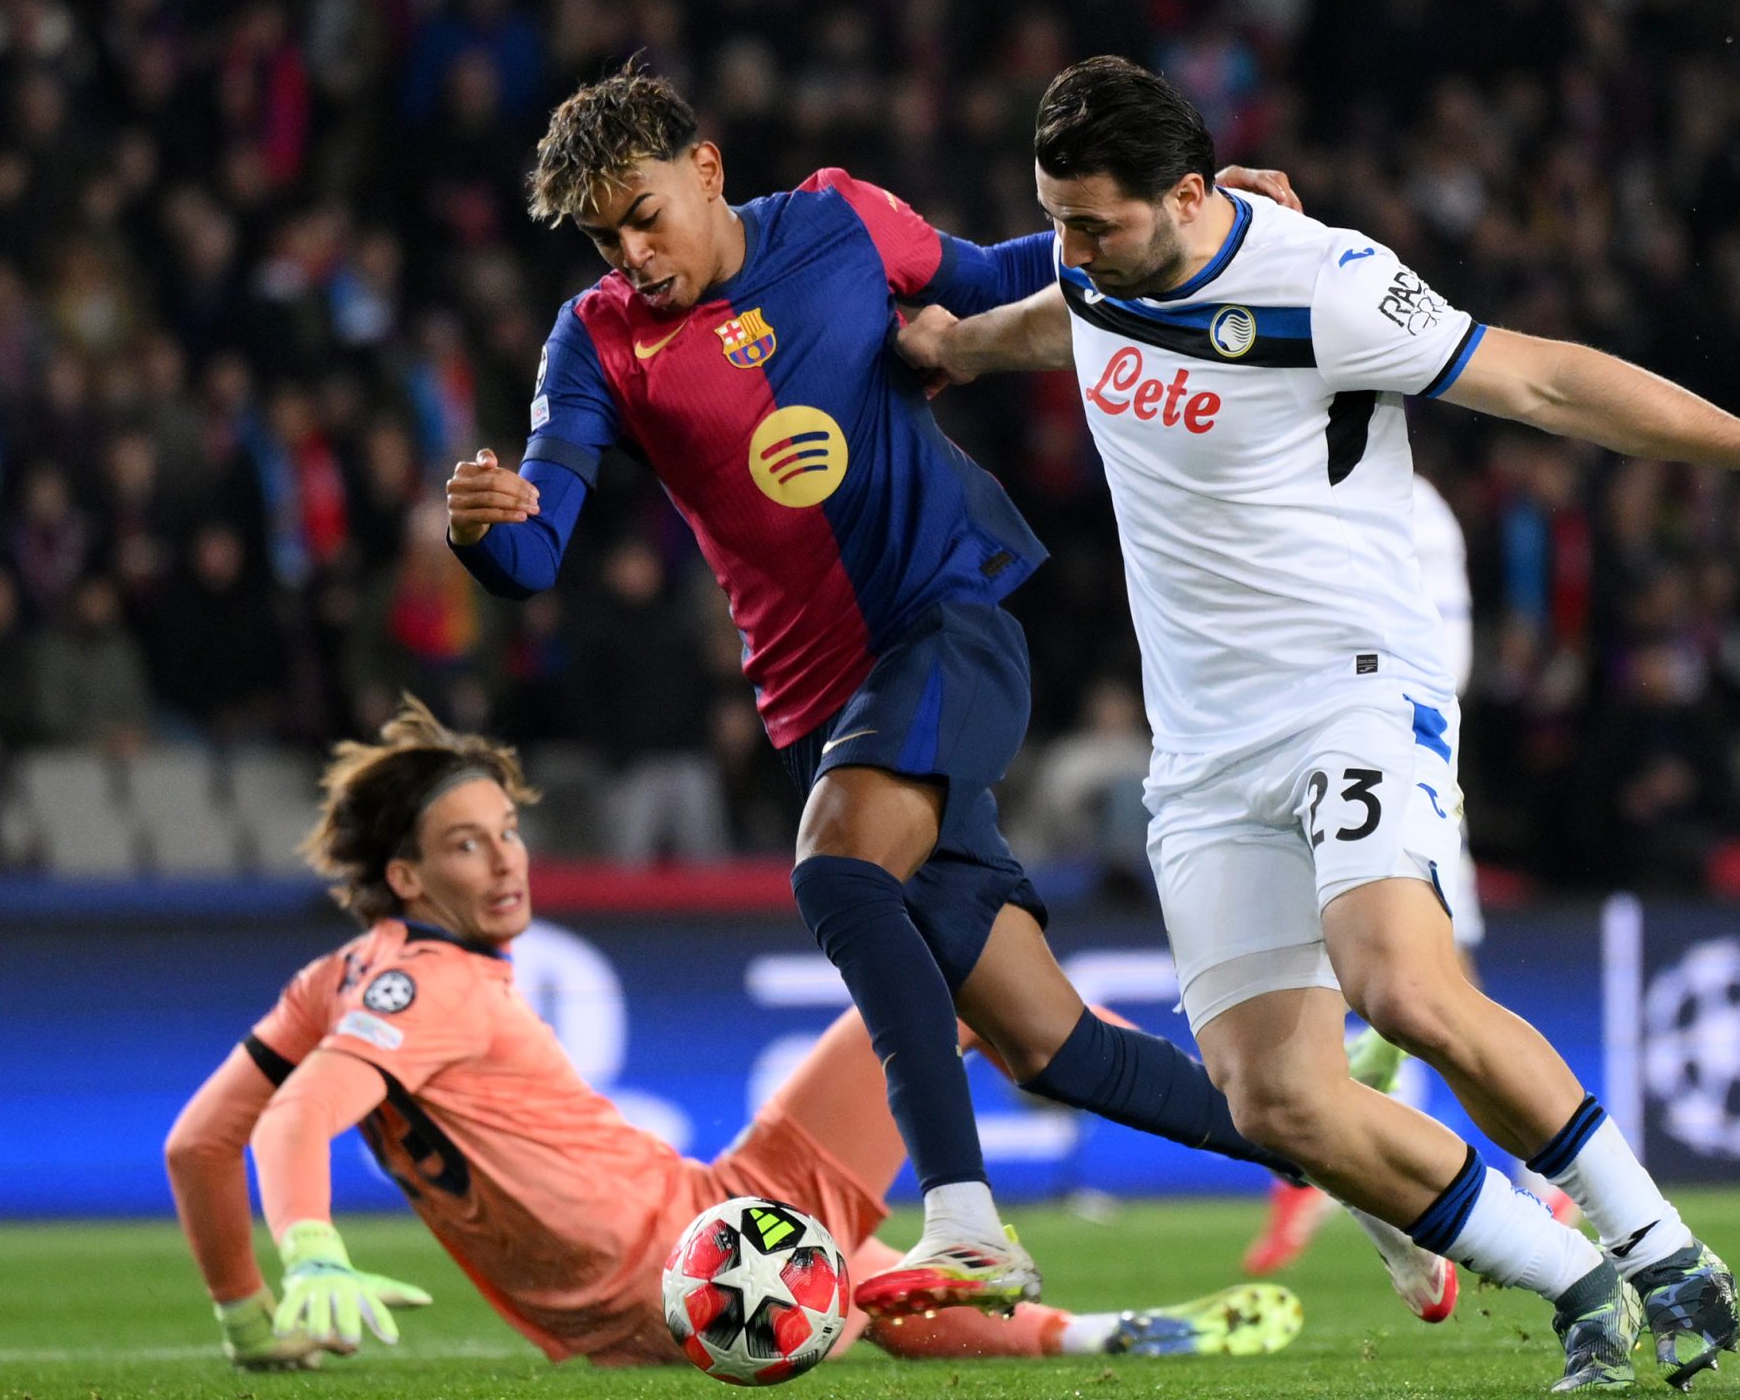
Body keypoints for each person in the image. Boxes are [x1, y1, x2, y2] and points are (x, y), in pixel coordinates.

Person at [896, 57, 1740, 1391]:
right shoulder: (1098, 274)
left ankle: (1664, 1247)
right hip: (1203, 751)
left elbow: (1543, 382)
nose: (1069, 250)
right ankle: (1572, 1280)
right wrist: (949, 345)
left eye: (1092, 224)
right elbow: (1045, 321)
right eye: (1056, 219)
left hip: (1350, 684)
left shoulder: (1325, 280)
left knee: (1403, 986)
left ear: (1189, 194)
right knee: (1281, 1101)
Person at [442, 64, 1310, 1318]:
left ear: (706, 169)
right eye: (600, 236)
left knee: (838, 872)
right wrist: (483, 524)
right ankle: (1359, 1164)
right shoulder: (596, 341)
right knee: (1048, 1044)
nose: (629, 253)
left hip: (945, 622)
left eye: (642, 214)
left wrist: (1201, 221)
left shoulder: (841, 222)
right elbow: (530, 554)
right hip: (818, 711)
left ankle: (963, 1222)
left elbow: (1004, 273)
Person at [162, 696, 1301, 1371]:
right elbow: (307, 1113)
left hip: (646, 1292)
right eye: (467, 845)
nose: (506, 859)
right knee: (959, 984)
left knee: (866, 1283)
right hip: (698, 1239)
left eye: (507, 831)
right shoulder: (436, 984)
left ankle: (1105, 1336)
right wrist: (309, 1243)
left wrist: (248, 1317)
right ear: (404, 875)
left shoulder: (329, 983)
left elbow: (200, 1145)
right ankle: (1266, 1103)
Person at [1242, 474, 1577, 1297]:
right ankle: (1335, 1163)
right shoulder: (1271, 482)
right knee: (1307, 977)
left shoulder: (1410, 506)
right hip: (1281, 772)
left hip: (1391, 762)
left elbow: (1444, 658)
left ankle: (1546, 1176)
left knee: (1437, 986)